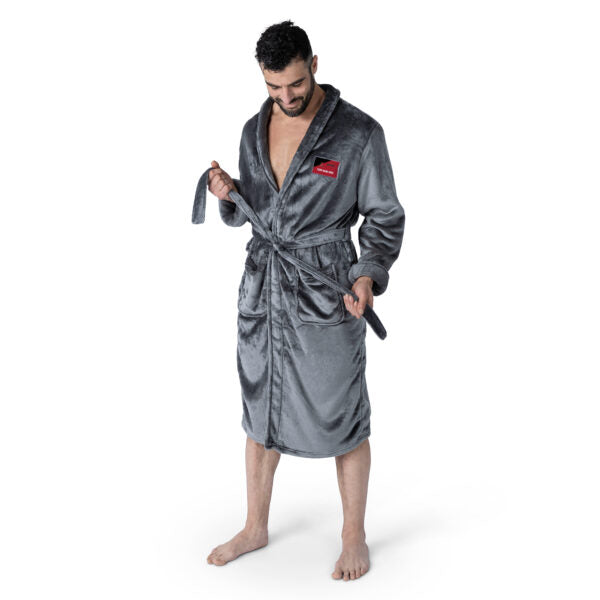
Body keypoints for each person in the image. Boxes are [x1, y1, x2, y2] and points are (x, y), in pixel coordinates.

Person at [202, 20, 405, 580]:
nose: (286, 96)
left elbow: (384, 215)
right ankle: (255, 526)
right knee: (259, 410)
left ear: (314, 65)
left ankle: (353, 535)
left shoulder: (358, 134)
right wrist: (228, 193)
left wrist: (367, 277)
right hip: (262, 289)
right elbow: (254, 208)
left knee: (344, 413)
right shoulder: (253, 129)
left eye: (294, 83)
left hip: (325, 290)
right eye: (273, 87)